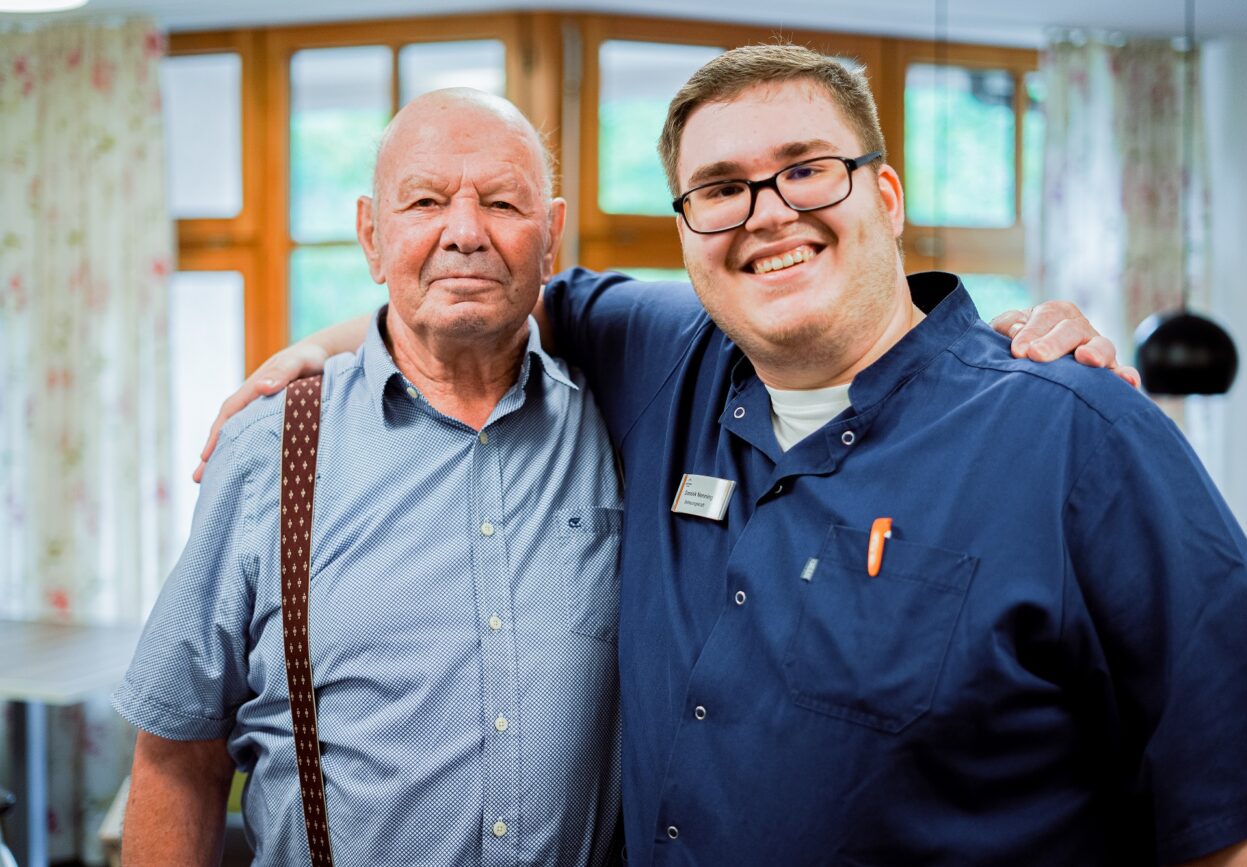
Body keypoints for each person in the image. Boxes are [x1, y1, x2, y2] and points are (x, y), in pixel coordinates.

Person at [189, 61, 1195, 867]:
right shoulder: (662, 350)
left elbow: (1235, 809)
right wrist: (326, 350)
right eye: (721, 188)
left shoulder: (1068, 426)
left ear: (885, 194)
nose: (766, 212)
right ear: (686, 230)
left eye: (806, 169)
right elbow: (470, 287)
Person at [113, 90, 624, 865]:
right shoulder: (270, 452)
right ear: (370, 236)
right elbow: (179, 754)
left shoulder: (623, 428)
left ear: (550, 235)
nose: (464, 232)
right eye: (425, 201)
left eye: (501, 202)